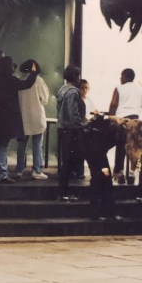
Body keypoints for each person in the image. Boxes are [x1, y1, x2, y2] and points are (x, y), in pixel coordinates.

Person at [0, 55, 38, 183]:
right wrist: (34, 72)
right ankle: (2, 173)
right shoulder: (11, 80)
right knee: (3, 146)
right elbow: (27, 84)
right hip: (6, 119)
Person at [109, 68, 142, 183]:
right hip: (136, 120)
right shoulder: (141, 90)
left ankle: (119, 173)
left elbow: (113, 104)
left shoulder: (119, 88)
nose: (120, 78)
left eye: (121, 76)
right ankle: (131, 173)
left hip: (123, 120)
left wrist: (112, 118)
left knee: (121, 146)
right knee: (134, 147)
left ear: (125, 77)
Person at [15, 59, 49, 180]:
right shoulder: (38, 81)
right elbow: (44, 99)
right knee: (37, 145)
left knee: (22, 145)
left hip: (23, 117)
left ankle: (19, 170)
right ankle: (37, 170)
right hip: (37, 116)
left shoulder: (20, 80)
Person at [56, 65, 85, 201]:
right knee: (68, 162)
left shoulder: (62, 89)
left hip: (62, 128)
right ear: (75, 77)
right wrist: (81, 128)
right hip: (71, 130)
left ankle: (63, 191)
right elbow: (74, 113)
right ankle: (64, 193)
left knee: (65, 161)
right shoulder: (73, 92)